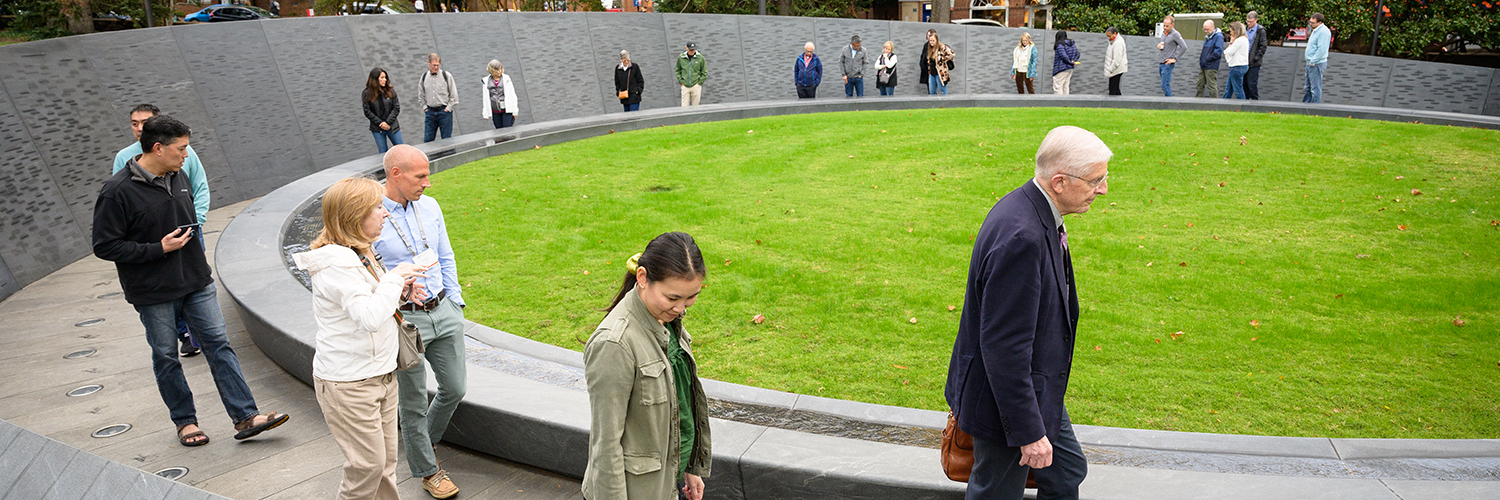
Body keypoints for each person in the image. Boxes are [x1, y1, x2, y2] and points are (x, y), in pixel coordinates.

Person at [93, 115, 290, 449]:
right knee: (166, 356)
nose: (187, 154)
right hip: (153, 292)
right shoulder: (117, 192)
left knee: (219, 345)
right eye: (181, 148)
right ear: (158, 148)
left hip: (196, 282)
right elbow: (104, 245)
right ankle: (185, 422)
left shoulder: (178, 176)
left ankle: (245, 416)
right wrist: (158, 248)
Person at [945, 125, 1112, 500]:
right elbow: (1004, 348)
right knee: (997, 492)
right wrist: (1029, 433)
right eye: (1095, 180)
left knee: (1066, 472)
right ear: (1059, 182)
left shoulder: (1030, 209)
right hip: (1006, 401)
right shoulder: (1023, 237)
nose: (1103, 189)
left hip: (1034, 388)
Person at [294, 177, 429, 500]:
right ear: (355, 215)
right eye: (377, 208)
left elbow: (372, 307)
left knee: (384, 466)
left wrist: (400, 292)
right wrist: (395, 279)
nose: (385, 214)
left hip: (380, 373)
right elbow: (367, 318)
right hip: (350, 383)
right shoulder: (337, 263)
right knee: (367, 467)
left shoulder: (360, 253)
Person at [582, 232, 712, 500]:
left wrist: (691, 466)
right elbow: (605, 445)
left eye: (691, 297)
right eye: (673, 297)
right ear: (642, 278)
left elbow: (681, 408)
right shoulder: (614, 344)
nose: (681, 308)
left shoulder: (665, 322)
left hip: (665, 486)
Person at [372, 145, 467, 499]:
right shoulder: (372, 215)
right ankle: (428, 470)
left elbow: (445, 255)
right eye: (420, 176)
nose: (428, 183)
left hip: (443, 310)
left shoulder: (431, 206)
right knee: (411, 403)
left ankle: (420, 443)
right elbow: (369, 272)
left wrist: (455, 301)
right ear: (395, 174)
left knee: (455, 388)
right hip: (404, 320)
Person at [113, 103, 207, 358]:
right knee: (165, 350)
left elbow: (200, 188)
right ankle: (184, 333)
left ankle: (199, 334)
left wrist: (194, 222)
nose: (140, 128)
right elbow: (116, 221)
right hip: (154, 249)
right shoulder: (123, 164)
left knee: (200, 298)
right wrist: (156, 245)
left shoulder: (183, 158)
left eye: (146, 122)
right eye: (135, 123)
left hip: (189, 234)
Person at [416, 53, 458, 142]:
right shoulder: (424, 77)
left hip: (444, 112)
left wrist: (448, 109)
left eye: (437, 65)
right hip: (430, 112)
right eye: (434, 65)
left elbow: (454, 96)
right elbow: (421, 95)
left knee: (447, 140)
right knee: (428, 140)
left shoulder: (446, 76)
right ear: (428, 63)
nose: (436, 67)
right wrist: (425, 108)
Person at [363, 68, 403, 153]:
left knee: (402, 150)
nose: (385, 79)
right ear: (375, 79)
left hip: (392, 127)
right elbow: (367, 111)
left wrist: (388, 123)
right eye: (382, 77)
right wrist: (381, 123)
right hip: (378, 129)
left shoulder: (390, 91)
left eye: (385, 77)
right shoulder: (367, 93)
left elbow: (396, 108)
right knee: (383, 153)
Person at [480, 60, 517, 129]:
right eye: (497, 70)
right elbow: (486, 98)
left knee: (507, 130)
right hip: (495, 110)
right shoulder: (486, 81)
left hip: (507, 110)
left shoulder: (506, 79)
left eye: (500, 69)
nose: (499, 71)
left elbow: (512, 94)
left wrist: (515, 110)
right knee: (499, 131)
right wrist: (486, 113)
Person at [1303, 13, 1331, 104]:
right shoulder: (1316, 30)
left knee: (1315, 88)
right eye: (1310, 22)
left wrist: (1313, 61)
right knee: (1308, 87)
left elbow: (1322, 49)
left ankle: (1314, 107)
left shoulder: (1323, 32)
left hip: (1316, 63)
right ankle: (1306, 105)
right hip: (1311, 62)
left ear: (1320, 22)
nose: (1310, 24)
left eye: (1313, 23)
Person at [1157, 15, 1186, 97]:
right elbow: (1166, 46)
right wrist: (1159, 46)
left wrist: (1175, 59)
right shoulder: (1163, 34)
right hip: (1161, 62)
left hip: (1168, 63)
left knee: (1164, 85)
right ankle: (1168, 102)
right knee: (1164, 85)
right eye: (1164, 25)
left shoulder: (1175, 34)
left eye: (1167, 26)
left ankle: (1171, 103)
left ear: (1172, 25)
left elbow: (1184, 47)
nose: (1165, 27)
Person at [920, 29, 955, 95]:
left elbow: (951, 54)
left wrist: (942, 59)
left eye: (933, 41)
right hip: (932, 72)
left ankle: (946, 104)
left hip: (940, 73)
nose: (931, 42)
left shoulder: (942, 47)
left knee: (943, 90)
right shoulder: (928, 48)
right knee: (931, 91)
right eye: (930, 41)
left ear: (936, 40)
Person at [1245, 11, 1269, 100]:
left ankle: (1255, 100)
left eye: (1250, 21)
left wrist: (1256, 57)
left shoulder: (1260, 31)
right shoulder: (1245, 30)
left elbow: (1263, 46)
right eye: (1247, 21)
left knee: (1251, 83)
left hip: (1254, 62)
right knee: (1244, 83)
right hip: (1244, 60)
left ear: (1256, 20)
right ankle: (1245, 101)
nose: (1248, 23)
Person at [1196, 20, 1223, 98]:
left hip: (1211, 66)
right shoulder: (1208, 37)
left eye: (1207, 29)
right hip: (1204, 65)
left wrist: (1207, 59)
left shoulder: (1218, 36)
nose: (1205, 31)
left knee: (1211, 86)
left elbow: (1218, 52)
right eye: (1204, 29)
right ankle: (1198, 102)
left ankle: (1215, 104)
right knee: (1199, 84)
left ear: (1213, 27)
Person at [1222, 22, 1249, 99]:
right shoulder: (1244, 39)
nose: (1230, 33)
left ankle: (1242, 105)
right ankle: (1224, 103)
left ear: (1235, 30)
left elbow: (1229, 52)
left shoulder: (1239, 40)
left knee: (1237, 89)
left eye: (1231, 31)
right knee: (1229, 88)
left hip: (1237, 66)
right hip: (1240, 66)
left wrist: (1231, 43)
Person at [676, 42, 706, 107]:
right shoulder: (681, 58)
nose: (692, 51)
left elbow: (704, 72)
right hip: (685, 86)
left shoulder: (700, 58)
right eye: (691, 50)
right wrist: (681, 82)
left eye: (693, 49)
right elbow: (677, 70)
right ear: (687, 48)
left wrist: (699, 83)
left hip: (696, 85)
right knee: (684, 107)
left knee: (695, 107)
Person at [1104, 27, 1127, 96]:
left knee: (1113, 89)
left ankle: (1113, 105)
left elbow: (1117, 60)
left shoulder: (1118, 43)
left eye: (1109, 36)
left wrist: (1111, 69)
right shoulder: (1115, 42)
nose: (1108, 38)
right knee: (1115, 88)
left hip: (1116, 69)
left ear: (1115, 34)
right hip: (1116, 69)